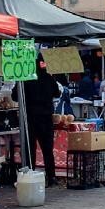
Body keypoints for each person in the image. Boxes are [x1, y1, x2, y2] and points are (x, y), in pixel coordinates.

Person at [15, 57, 60, 186]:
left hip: (30, 118)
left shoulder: (25, 79)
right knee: (47, 149)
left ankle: (30, 176)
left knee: (30, 149)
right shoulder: (48, 78)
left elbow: (15, 96)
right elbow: (57, 93)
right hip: (46, 118)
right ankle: (51, 177)